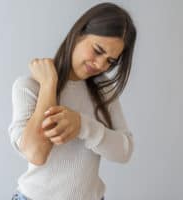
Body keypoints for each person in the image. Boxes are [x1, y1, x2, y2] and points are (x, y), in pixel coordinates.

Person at [8, 2, 136, 200]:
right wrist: (49, 84)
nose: (101, 65)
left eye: (111, 61)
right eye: (98, 50)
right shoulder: (29, 86)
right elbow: (36, 153)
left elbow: (124, 151)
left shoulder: (103, 90)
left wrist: (83, 126)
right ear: (78, 34)